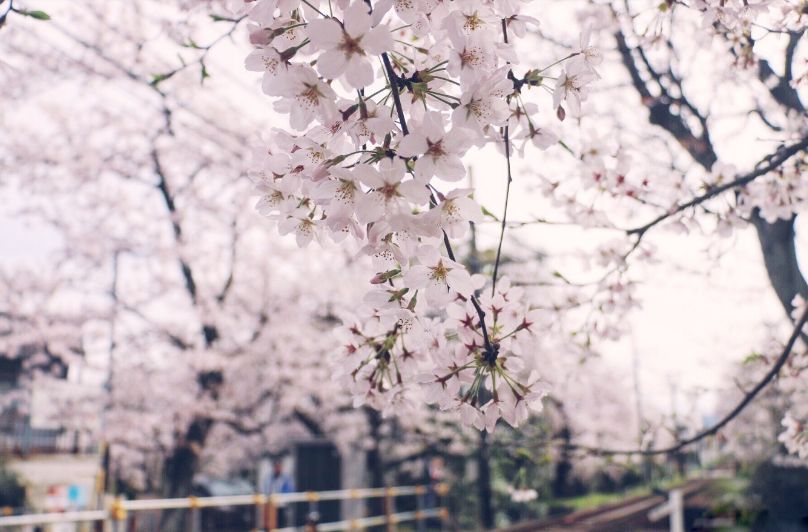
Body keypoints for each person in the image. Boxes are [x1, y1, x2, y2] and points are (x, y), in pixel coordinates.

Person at [263, 458, 295, 527]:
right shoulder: (269, 477)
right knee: (270, 525)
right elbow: (266, 490)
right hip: (271, 505)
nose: (277, 468)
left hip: (282, 505)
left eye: (279, 466)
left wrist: (283, 499)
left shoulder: (286, 478)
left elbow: (290, 490)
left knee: (281, 524)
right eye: (276, 467)